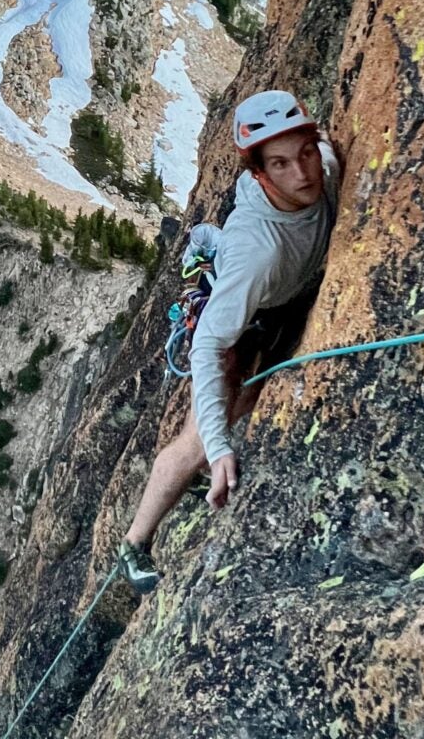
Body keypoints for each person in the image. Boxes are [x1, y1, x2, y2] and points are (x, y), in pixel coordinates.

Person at [118, 89, 339, 594]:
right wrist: (219, 450)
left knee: (249, 399)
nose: (302, 174)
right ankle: (134, 543)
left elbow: (325, 157)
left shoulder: (325, 166)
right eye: (280, 164)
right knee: (196, 440)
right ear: (259, 174)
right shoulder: (254, 254)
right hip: (242, 312)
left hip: (279, 298)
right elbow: (209, 346)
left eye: (304, 153)